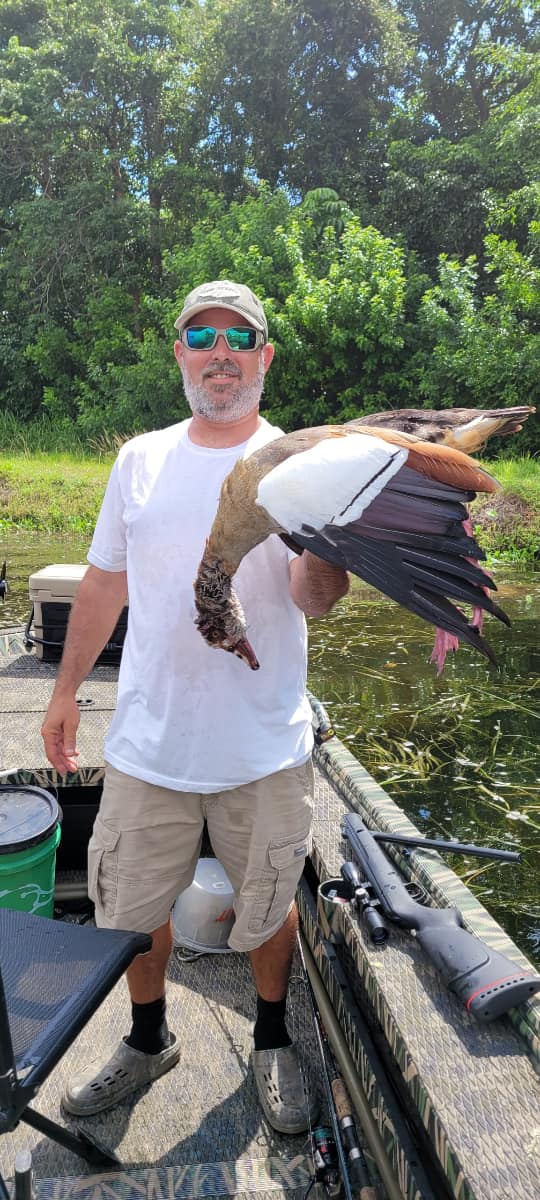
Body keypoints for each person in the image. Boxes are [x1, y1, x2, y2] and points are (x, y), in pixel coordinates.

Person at [41, 279, 349, 1134]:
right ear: (179, 352)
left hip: (263, 747)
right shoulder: (139, 457)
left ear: (264, 356)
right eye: (203, 335)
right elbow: (105, 581)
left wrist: (328, 545)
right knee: (133, 913)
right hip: (149, 743)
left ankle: (275, 1038)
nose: (222, 351)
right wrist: (65, 692)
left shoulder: (306, 462)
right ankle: (148, 1040)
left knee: (268, 902)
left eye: (239, 337)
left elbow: (313, 598)